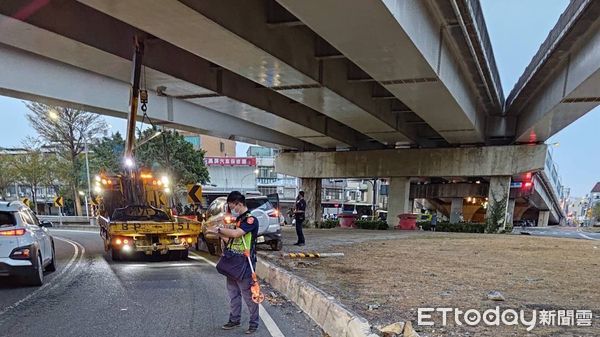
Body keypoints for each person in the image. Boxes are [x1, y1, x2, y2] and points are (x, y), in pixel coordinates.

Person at [207, 191, 259, 334]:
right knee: (233, 294)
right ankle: (234, 320)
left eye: (232, 206)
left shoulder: (251, 220)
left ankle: (254, 323)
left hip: (244, 263)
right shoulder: (239, 220)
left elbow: (237, 234)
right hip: (232, 262)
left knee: (248, 295)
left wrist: (219, 229)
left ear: (239, 203)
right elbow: (231, 240)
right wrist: (218, 233)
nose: (232, 209)